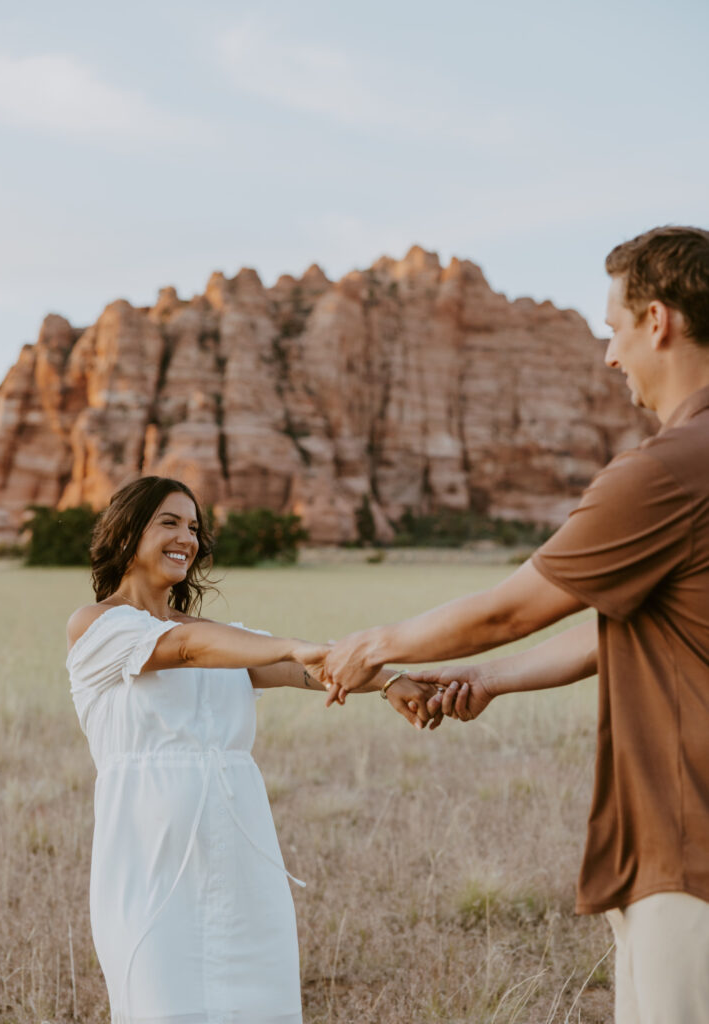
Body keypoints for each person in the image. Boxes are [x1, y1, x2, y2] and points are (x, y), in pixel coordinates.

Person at [316, 227, 709, 1024]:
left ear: (658, 322)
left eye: (613, 329)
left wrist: (373, 647)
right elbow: (628, 627)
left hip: (687, 845)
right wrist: (488, 680)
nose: (609, 356)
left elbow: (510, 608)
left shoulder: (668, 469)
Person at [66, 475, 433, 1024]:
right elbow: (186, 650)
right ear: (125, 531)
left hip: (241, 855)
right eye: (168, 522)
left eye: (193, 527)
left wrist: (386, 679)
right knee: (161, 1005)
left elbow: (295, 668)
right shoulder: (98, 626)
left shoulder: (220, 634)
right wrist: (292, 644)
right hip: (150, 861)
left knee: (257, 1007)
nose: (186, 538)